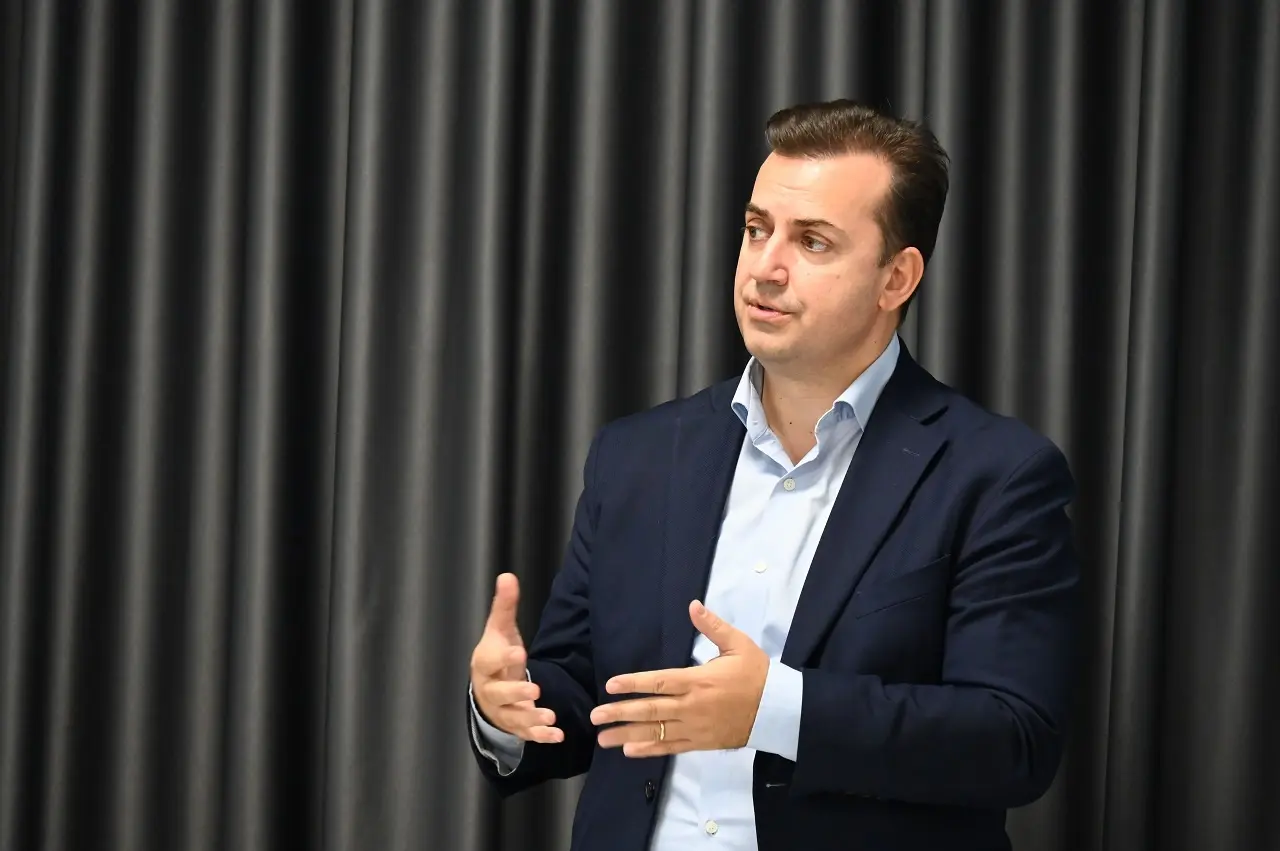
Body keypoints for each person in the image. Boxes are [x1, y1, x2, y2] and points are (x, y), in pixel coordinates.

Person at [466, 99, 1080, 851]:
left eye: (812, 242)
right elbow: (584, 692)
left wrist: (777, 710)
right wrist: (509, 706)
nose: (765, 266)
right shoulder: (637, 455)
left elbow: (1013, 739)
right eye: (757, 230)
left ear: (896, 278)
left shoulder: (995, 475)